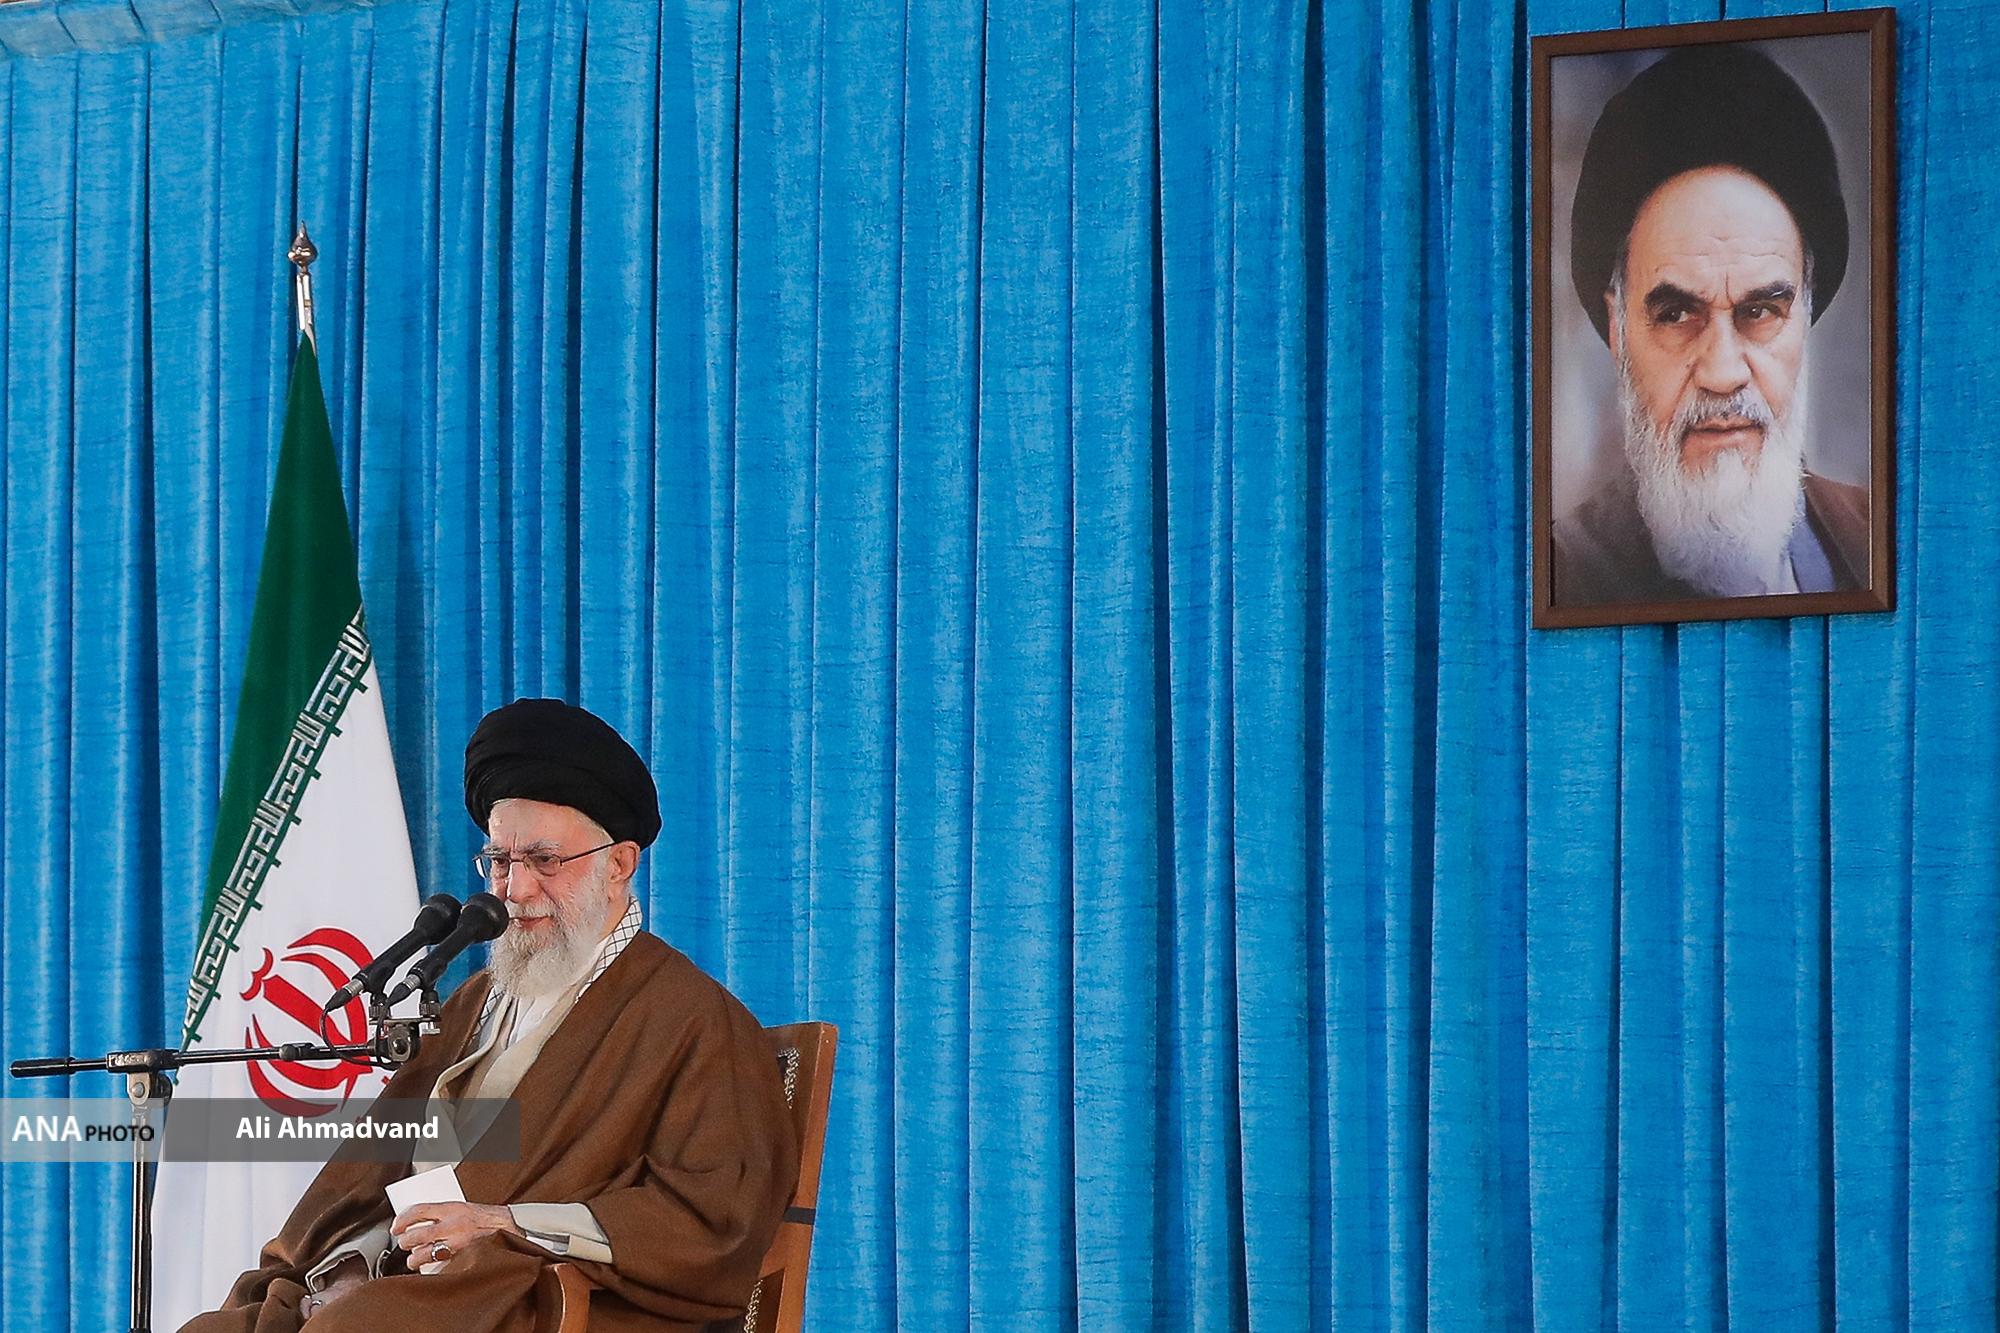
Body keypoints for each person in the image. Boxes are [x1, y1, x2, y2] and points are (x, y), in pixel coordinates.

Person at [181, 698, 798, 1332]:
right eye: (500, 861)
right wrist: (349, 1262)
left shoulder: (694, 1020)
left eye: (545, 861)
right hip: (408, 1285)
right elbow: (378, 1170)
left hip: (542, 1303)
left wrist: (503, 1225)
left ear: (619, 864)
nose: (514, 890)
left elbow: (714, 1217)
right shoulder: (476, 998)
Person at [1554, 44, 1869, 606]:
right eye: (1676, 315)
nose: (1723, 374)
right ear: (1618, 328)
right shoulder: (1560, 578)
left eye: (1760, 312)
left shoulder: (1881, 538)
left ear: (1803, 316)